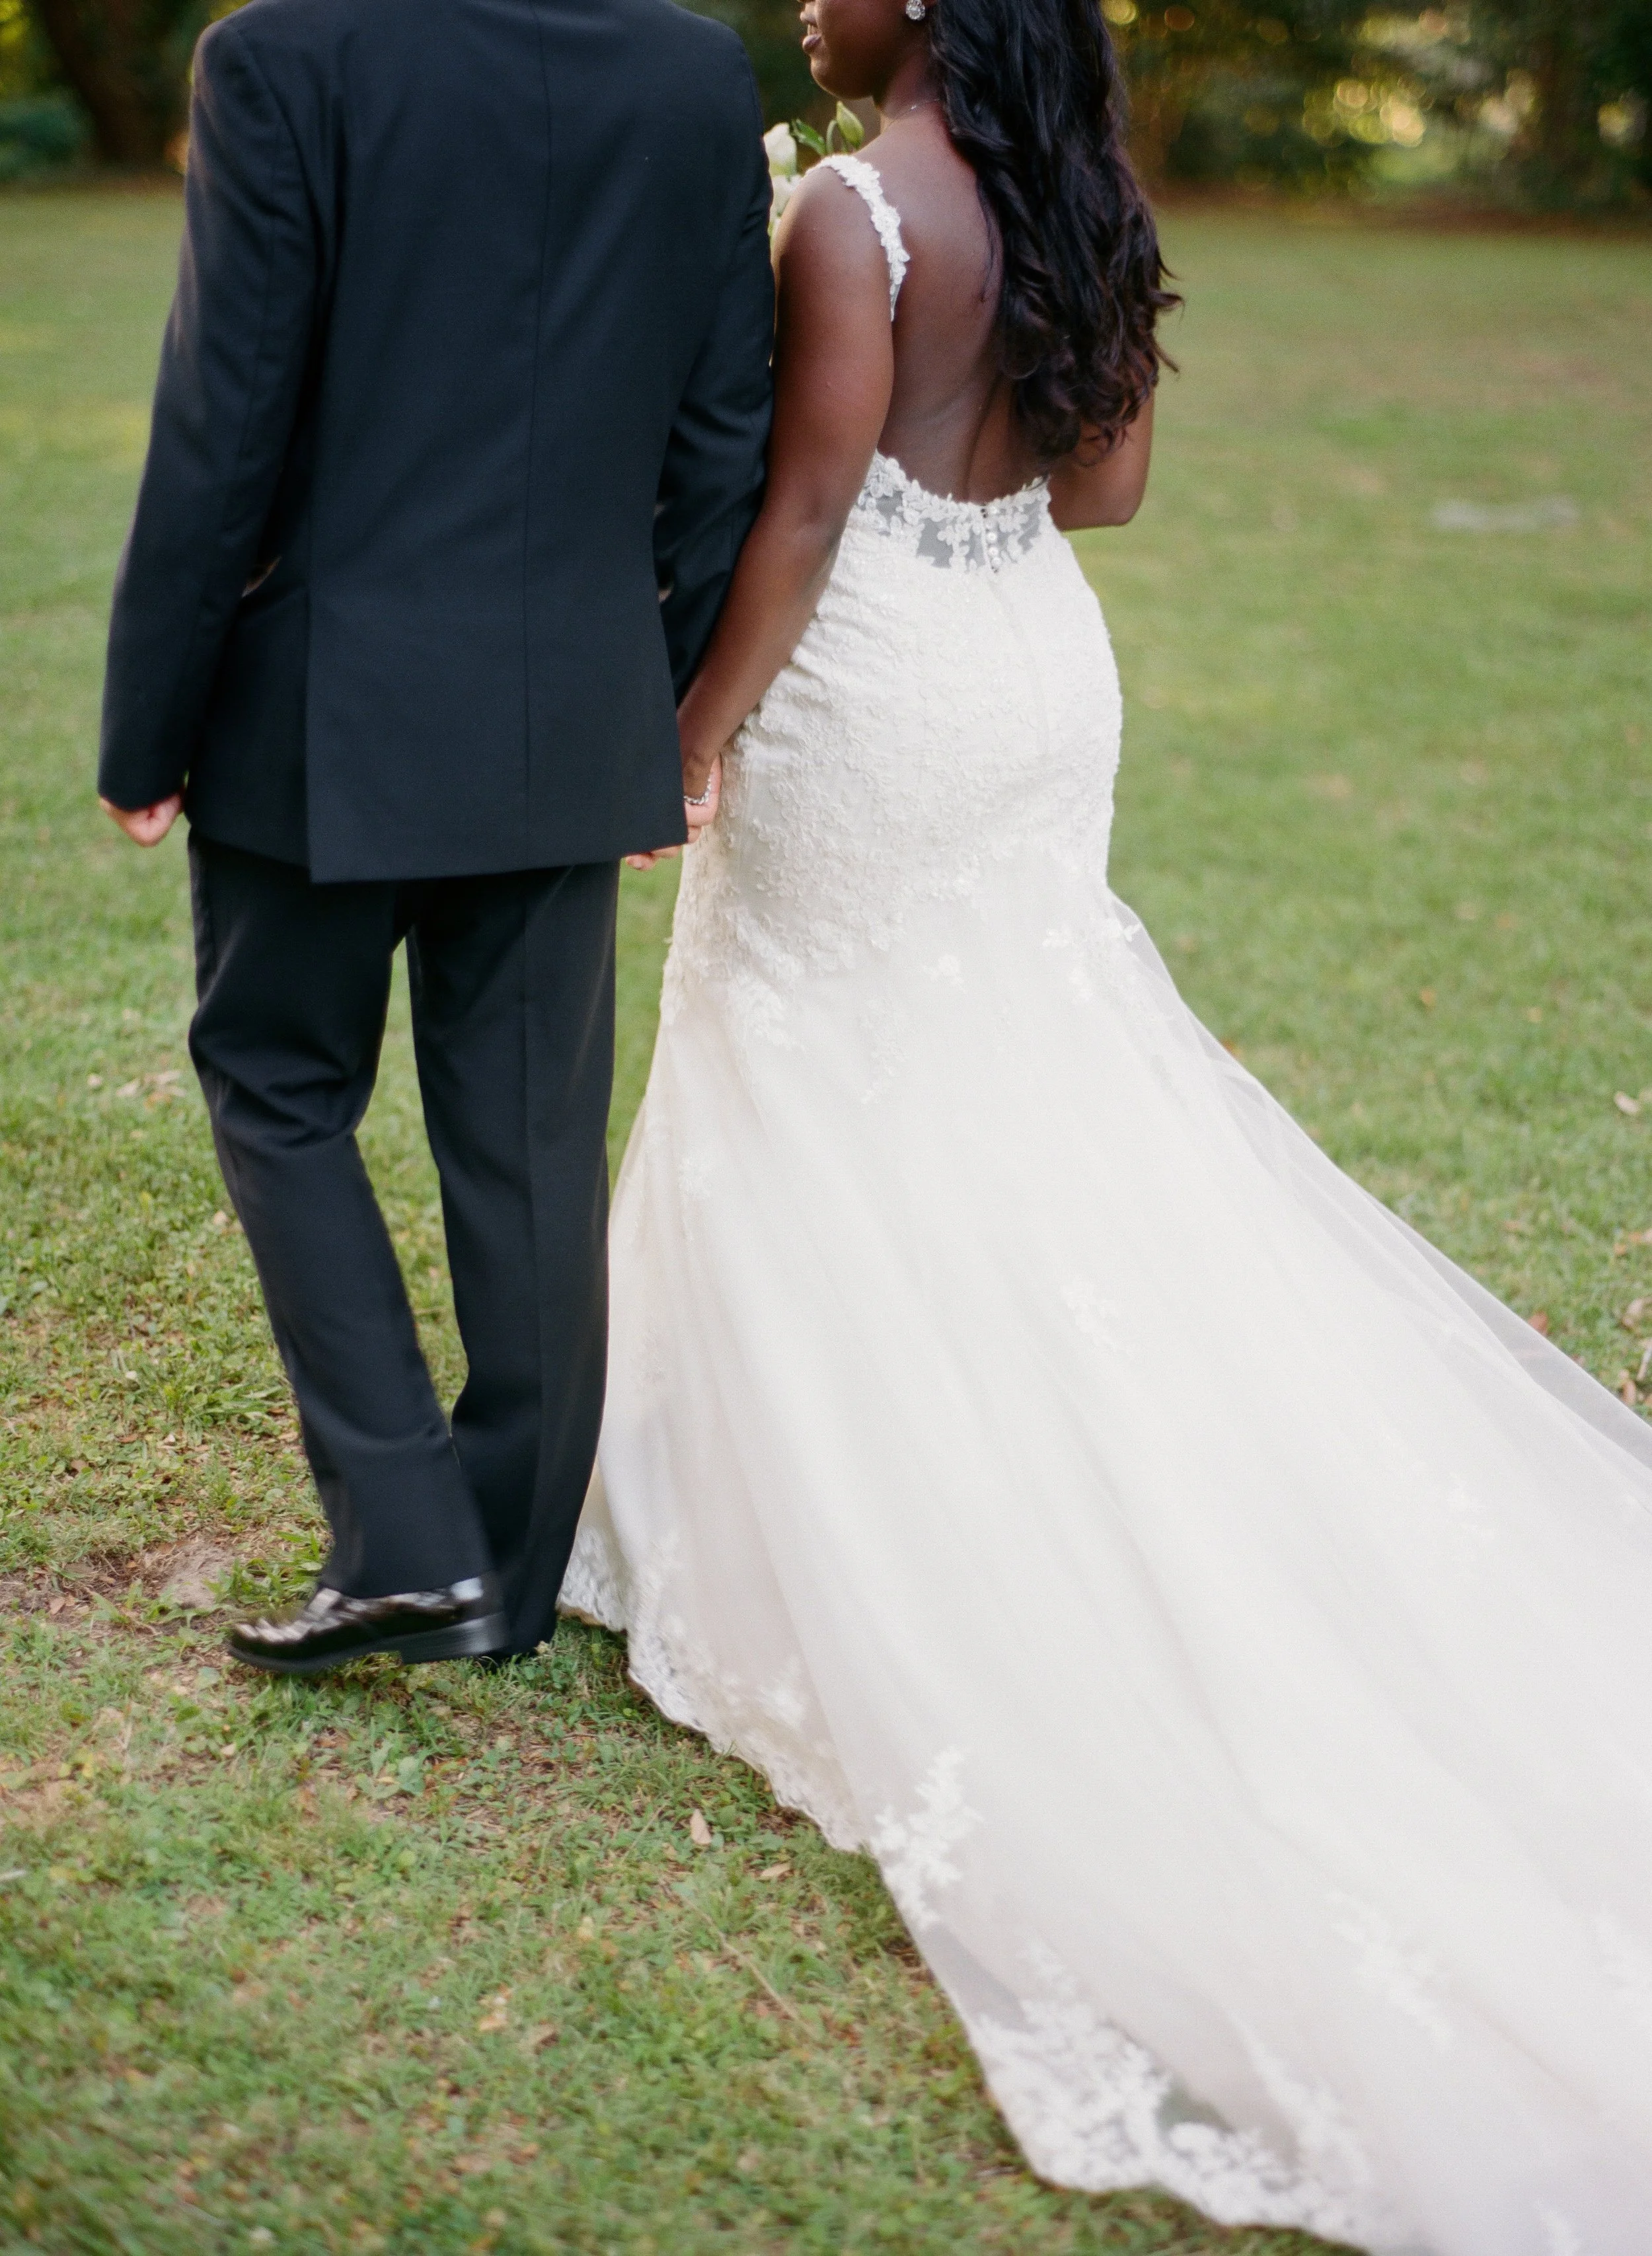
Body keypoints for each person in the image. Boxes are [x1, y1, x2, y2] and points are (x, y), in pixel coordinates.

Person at [567, 0, 1652, 2246]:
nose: (807, 0)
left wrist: (688, 740)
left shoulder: (847, 212)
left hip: (872, 687)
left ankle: (790, 1441)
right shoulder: (1084, 192)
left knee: (823, 1044)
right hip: (1039, 677)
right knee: (1027, 1065)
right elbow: (1114, 489)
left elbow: (798, 501)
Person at [96, 0, 773, 1673]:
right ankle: (508, 1575)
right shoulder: (690, 70)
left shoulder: (282, 57)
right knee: (529, 1139)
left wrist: (148, 719)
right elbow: (720, 432)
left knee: (275, 1079)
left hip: (325, 696)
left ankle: (406, 1539)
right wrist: (651, 693)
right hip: (570, 705)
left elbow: (224, 412)